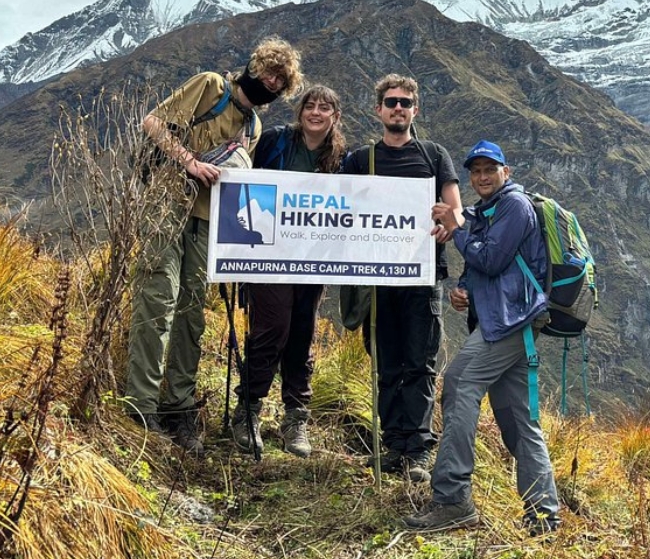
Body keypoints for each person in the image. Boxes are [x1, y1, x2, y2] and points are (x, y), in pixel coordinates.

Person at [124, 36, 303, 453]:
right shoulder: (211, 88)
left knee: (191, 312)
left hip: (208, 220)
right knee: (158, 298)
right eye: (268, 72)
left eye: (280, 80)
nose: (271, 82)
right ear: (254, 65)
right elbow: (153, 122)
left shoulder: (253, 128)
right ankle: (140, 405)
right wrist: (190, 161)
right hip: (166, 203)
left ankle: (179, 407)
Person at [404, 140, 562, 535]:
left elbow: (491, 257)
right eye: (475, 171)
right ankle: (544, 514)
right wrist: (464, 290)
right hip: (508, 321)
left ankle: (453, 499)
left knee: (459, 385)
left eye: (490, 169)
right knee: (518, 419)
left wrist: (456, 228)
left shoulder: (515, 206)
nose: (482, 176)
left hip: (509, 323)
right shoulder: (488, 211)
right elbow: (485, 266)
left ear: (506, 172)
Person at [339, 74, 462, 481]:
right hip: (377, 279)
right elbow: (338, 210)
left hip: (423, 276)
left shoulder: (432, 155)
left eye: (405, 103)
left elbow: (455, 211)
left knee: (421, 362)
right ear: (378, 109)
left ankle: (419, 449)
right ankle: (393, 445)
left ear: (415, 110)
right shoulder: (361, 160)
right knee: (387, 363)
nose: (398, 108)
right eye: (391, 102)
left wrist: (448, 223)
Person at [230, 84, 347, 458]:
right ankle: (248, 409)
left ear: (335, 116)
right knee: (272, 329)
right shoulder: (277, 142)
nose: (315, 112)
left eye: (324, 107)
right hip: (267, 254)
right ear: (300, 112)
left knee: (302, 333)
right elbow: (244, 179)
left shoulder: (342, 158)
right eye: (309, 106)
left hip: (312, 259)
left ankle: (296, 419)